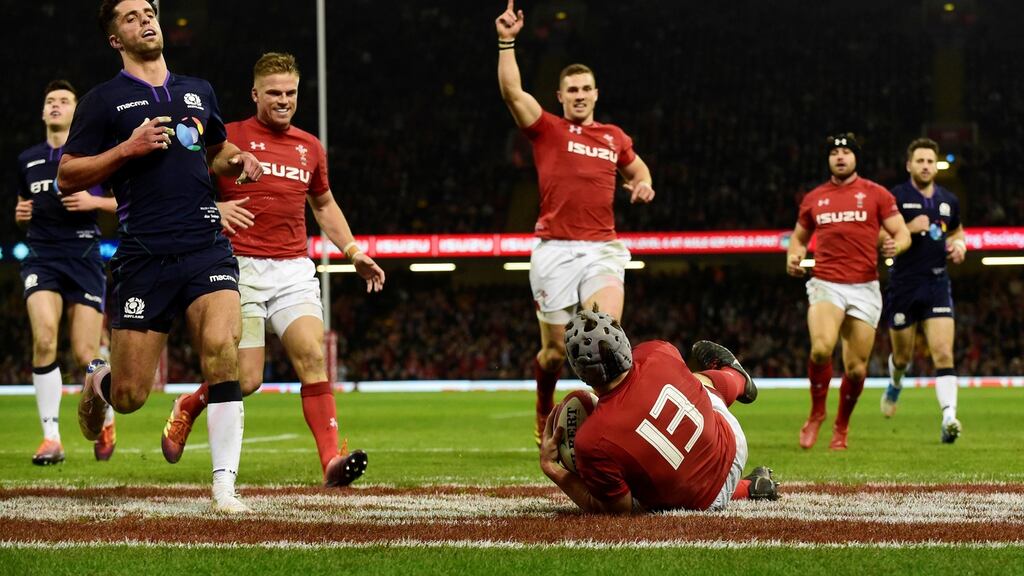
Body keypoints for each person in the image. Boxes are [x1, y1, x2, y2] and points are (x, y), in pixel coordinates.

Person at [56, 0, 263, 512]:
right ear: (115, 39)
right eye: (130, 17)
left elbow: (215, 151)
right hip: (144, 256)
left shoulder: (199, 89)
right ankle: (96, 380)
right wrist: (126, 149)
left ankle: (223, 488)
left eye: (148, 12)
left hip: (205, 245)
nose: (145, 20)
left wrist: (238, 159)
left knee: (222, 349)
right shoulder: (104, 102)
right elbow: (68, 174)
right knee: (129, 397)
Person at [159, 52, 384, 486]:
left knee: (313, 357)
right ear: (255, 93)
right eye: (275, 93)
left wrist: (354, 251)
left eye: (291, 93)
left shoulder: (309, 146)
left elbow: (323, 204)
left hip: (293, 269)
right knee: (245, 380)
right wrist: (214, 208)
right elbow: (181, 186)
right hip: (236, 267)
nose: (284, 100)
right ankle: (190, 403)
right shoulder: (229, 138)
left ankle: (331, 462)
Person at [495, 0, 657, 445]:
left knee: (606, 337)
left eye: (587, 88)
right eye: (573, 90)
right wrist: (507, 41)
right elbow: (512, 92)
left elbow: (639, 169)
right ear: (561, 96)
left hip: (602, 248)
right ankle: (544, 406)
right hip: (554, 251)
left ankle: (609, 430)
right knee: (552, 354)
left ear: (596, 93)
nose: (581, 95)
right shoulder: (547, 129)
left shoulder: (613, 137)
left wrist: (642, 184)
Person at [538, 306, 779, 513]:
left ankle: (748, 486)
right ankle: (735, 376)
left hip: (700, 503)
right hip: (733, 445)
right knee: (696, 383)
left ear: (580, 370)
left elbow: (617, 510)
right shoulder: (657, 350)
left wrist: (553, 469)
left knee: (633, 495)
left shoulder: (591, 440)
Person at [15, 80, 118, 466]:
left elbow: (125, 200)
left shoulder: (94, 157)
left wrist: (94, 201)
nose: (56, 105)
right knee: (43, 338)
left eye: (63, 101)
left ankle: (105, 416)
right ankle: (51, 438)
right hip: (42, 256)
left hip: (85, 255)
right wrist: (19, 213)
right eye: (50, 100)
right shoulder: (27, 159)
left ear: (76, 113)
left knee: (84, 354)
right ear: (43, 113)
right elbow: (23, 204)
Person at [786, 133, 911, 450]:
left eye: (846, 152)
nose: (840, 156)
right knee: (820, 349)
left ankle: (841, 427)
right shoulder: (814, 198)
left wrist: (897, 245)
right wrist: (793, 254)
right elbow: (799, 239)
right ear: (828, 159)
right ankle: (816, 414)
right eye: (834, 152)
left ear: (856, 158)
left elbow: (902, 232)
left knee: (856, 368)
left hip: (865, 286)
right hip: (826, 281)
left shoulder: (876, 194)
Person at [879, 138, 966, 443]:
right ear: (909, 165)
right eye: (920, 161)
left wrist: (960, 246)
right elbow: (878, 235)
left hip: (937, 283)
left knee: (943, 353)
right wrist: (907, 228)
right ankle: (896, 382)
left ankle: (949, 418)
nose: (926, 166)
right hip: (903, 285)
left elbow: (956, 230)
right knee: (903, 356)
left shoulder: (948, 200)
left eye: (931, 161)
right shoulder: (895, 197)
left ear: (936, 165)